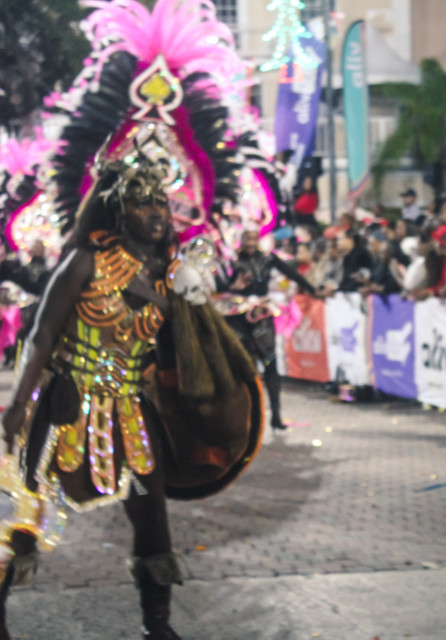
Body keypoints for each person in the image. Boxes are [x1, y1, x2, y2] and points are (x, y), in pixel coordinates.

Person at [0, 160, 263, 640]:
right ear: (120, 213)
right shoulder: (86, 260)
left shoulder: (173, 274)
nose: (156, 212)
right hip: (65, 404)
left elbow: (187, 347)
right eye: (142, 203)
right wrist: (18, 404)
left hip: (128, 411)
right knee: (27, 510)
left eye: (160, 202)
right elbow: (42, 334)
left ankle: (157, 624)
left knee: (151, 514)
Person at [224, 229, 316, 431]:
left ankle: (276, 415)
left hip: (261, 317)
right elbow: (221, 286)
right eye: (247, 238)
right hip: (238, 318)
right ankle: (246, 416)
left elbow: (291, 273)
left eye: (254, 238)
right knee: (243, 367)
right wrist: (234, 288)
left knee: (270, 363)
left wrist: (313, 289)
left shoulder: (267, 259)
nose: (250, 242)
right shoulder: (231, 260)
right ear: (241, 240)